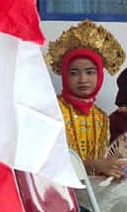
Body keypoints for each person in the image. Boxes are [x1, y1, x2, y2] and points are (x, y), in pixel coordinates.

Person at [46, 20, 126, 177]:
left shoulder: (102, 118)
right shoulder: (52, 110)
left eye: (90, 72)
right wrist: (93, 164)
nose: (83, 80)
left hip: (93, 190)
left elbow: (103, 162)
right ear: (64, 75)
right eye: (74, 73)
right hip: (56, 188)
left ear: (99, 75)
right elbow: (45, 161)